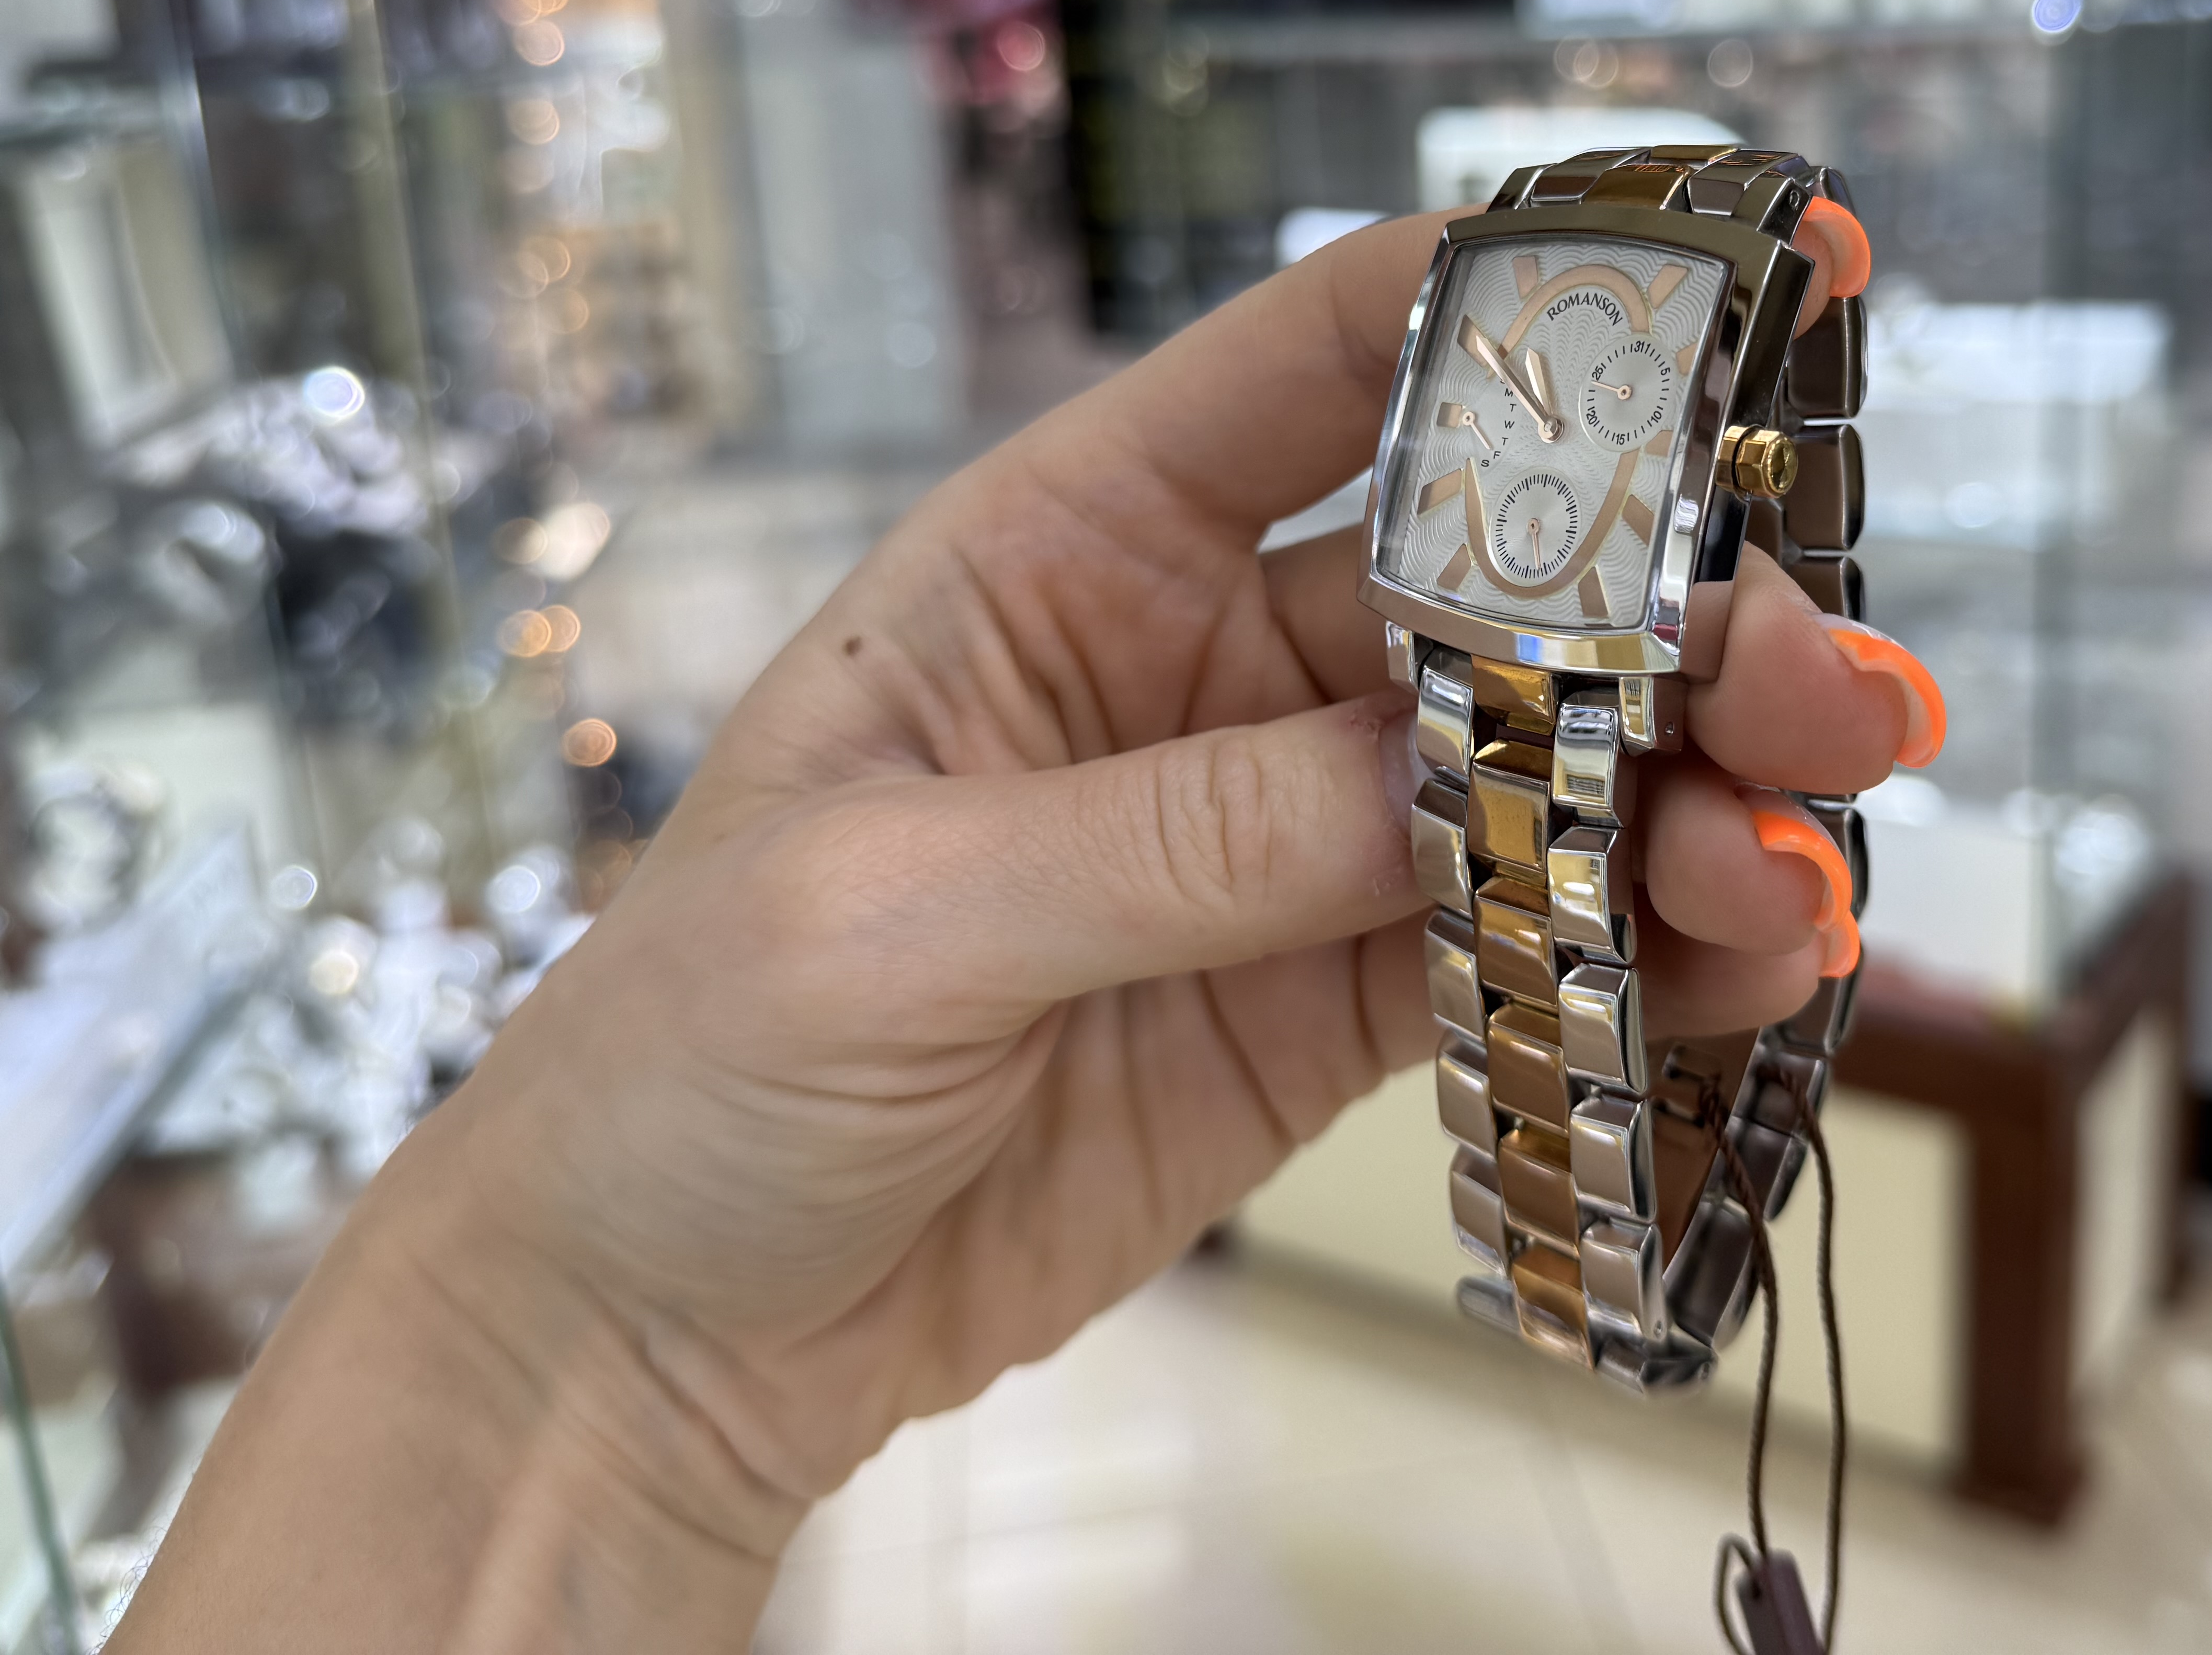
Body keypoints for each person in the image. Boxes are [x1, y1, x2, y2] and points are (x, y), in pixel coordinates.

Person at [110, 205, 1935, 1652]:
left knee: (1702, 904)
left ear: (1751, 465)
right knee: (1682, 900)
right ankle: (1581, 1254)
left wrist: (614, 1360)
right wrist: (616, 1349)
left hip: (1512, 694)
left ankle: (1599, 1256)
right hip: (1491, 699)